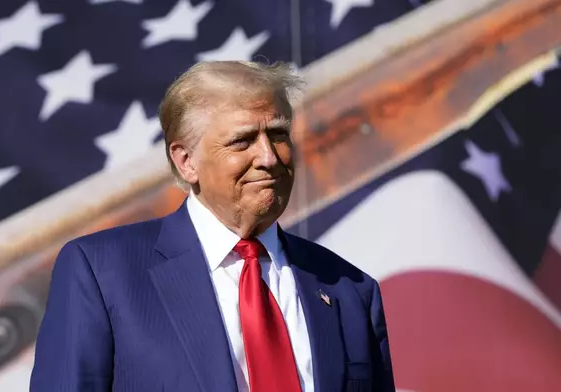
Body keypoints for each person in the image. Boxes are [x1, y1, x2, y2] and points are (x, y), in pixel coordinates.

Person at [29, 60, 395, 392]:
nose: (268, 157)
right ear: (186, 161)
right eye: (242, 141)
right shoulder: (103, 273)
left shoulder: (351, 289)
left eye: (278, 135)